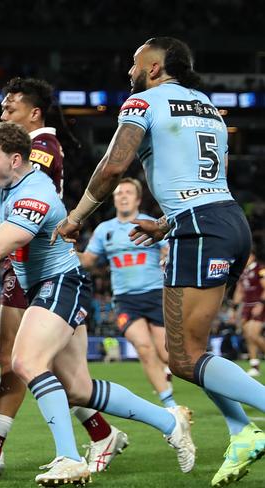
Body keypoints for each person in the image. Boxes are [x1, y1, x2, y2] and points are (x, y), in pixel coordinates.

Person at [0, 122, 195, 485]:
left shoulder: (34, 195)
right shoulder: (6, 184)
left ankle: (68, 457)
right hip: (44, 286)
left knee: (25, 361)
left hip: (62, 284)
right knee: (78, 388)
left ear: (15, 159)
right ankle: (169, 421)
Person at [54, 37, 265, 487]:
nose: (129, 71)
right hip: (226, 221)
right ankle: (239, 429)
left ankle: (252, 420)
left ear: (153, 69)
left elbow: (114, 166)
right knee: (189, 350)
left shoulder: (143, 101)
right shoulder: (207, 107)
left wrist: (75, 217)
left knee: (182, 355)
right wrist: (168, 224)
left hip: (199, 228)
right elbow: (207, 179)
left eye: (135, 64)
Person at [0, 77, 127, 475]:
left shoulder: (39, 148)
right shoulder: (33, 149)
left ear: (33, 112)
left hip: (39, 262)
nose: (3, 112)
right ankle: (98, 433)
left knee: (25, 362)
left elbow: (15, 207)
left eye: (10, 108)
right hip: (24, 261)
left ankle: (2, 450)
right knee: (39, 365)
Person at [79, 178, 177, 408]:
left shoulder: (153, 224)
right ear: (114, 199)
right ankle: (172, 407)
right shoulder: (105, 230)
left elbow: (169, 250)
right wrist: (65, 251)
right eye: (118, 193)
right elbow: (89, 261)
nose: (122, 196)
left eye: (128, 192)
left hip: (155, 295)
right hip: (125, 300)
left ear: (138, 199)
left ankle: (217, 389)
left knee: (168, 355)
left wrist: (167, 255)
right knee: (143, 347)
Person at [233, 248, 265, 376]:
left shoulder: (260, 269)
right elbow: (239, 291)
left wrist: (261, 304)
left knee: (254, 334)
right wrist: (234, 309)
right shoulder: (243, 271)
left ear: (251, 256)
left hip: (258, 304)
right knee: (247, 335)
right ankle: (254, 365)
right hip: (247, 306)